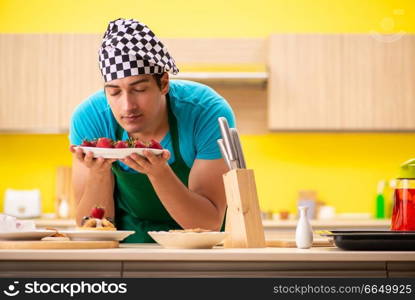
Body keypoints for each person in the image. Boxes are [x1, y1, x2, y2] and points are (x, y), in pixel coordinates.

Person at [69, 18, 235, 242]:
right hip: (130, 243)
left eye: (139, 89)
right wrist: (98, 173)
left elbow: (208, 223)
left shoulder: (205, 111)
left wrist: (159, 173)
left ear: (164, 83)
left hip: (199, 244)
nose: (127, 106)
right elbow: (91, 228)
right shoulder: (91, 118)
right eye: (114, 92)